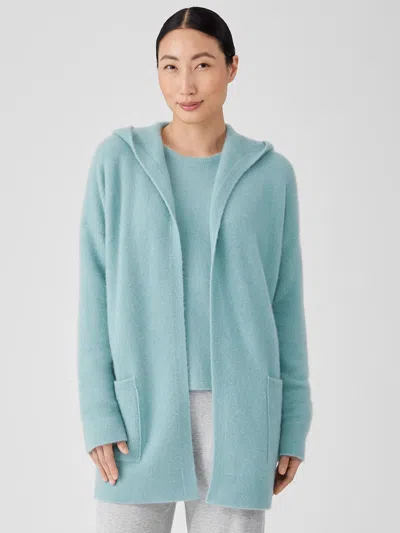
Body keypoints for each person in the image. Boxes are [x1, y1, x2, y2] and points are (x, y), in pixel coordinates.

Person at [77, 6, 313, 533]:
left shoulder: (271, 175)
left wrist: (294, 420)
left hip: (242, 416)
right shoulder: (117, 162)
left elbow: (285, 303)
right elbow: (95, 294)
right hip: (138, 414)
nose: (185, 84)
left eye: (202, 64)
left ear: (232, 67)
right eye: (170, 66)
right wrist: (98, 412)